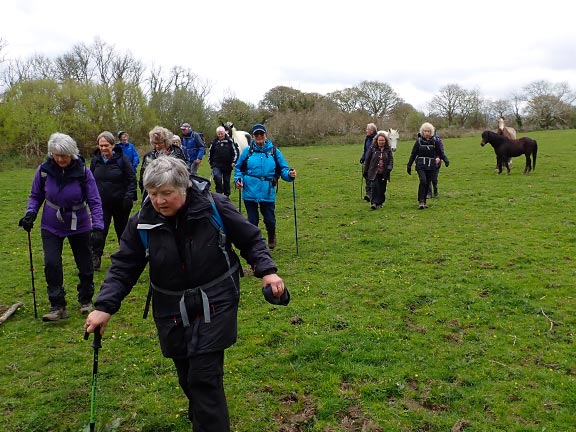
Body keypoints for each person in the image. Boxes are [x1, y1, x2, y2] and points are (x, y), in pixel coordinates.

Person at [84, 156, 287, 431]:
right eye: (153, 194)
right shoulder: (142, 222)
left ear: (184, 188)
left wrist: (267, 270)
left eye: (166, 193)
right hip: (170, 306)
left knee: (204, 376)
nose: (159, 201)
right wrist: (104, 306)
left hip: (216, 298)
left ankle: (208, 421)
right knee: (187, 375)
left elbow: (250, 238)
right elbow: (123, 266)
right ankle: (203, 412)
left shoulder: (214, 206)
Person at [18, 132, 104, 321]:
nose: (60, 159)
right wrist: (30, 213)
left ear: (72, 154)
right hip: (51, 223)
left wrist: (98, 225)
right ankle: (57, 305)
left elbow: (94, 200)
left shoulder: (83, 172)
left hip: (79, 223)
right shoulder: (43, 170)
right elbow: (35, 195)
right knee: (51, 263)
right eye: (56, 155)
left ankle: (86, 300)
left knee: (85, 263)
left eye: (64, 155)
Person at [234, 124, 296, 250]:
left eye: (261, 134)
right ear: (253, 136)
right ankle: (255, 244)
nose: (259, 137)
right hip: (249, 191)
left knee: (269, 219)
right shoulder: (247, 151)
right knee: (252, 220)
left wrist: (289, 174)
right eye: (256, 135)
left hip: (267, 191)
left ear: (265, 135)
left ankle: (271, 236)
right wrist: (238, 180)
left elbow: (283, 168)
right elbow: (238, 168)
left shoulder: (274, 151)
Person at [90, 131, 137, 271]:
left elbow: (131, 180)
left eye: (106, 145)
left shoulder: (122, 159)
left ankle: (125, 259)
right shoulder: (95, 160)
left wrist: (129, 197)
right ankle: (95, 257)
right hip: (101, 204)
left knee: (122, 232)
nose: (104, 148)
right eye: (101, 145)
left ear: (112, 145)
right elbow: (89, 181)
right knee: (99, 231)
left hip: (120, 203)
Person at [406, 122, 449, 209]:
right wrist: (409, 165)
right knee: (423, 181)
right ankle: (421, 200)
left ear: (431, 132)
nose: (427, 133)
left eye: (429, 131)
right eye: (425, 131)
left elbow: (440, 152)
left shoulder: (434, 142)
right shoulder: (418, 141)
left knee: (427, 182)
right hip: (420, 165)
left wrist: (445, 159)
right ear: (422, 132)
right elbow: (413, 154)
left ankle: (424, 202)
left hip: (430, 166)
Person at [139, 126, 187, 197]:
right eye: (155, 143)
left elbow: (184, 176)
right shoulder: (148, 156)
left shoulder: (177, 154)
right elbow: (143, 177)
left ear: (166, 142)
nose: (157, 146)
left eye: (160, 143)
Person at [363, 131, 394, 209]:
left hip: (384, 172)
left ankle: (380, 202)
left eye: (383, 140)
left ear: (385, 141)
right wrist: (365, 171)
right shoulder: (372, 148)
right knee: (374, 186)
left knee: (382, 188)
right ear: (377, 141)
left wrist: (390, 167)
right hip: (374, 171)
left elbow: (391, 159)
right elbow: (368, 159)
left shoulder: (388, 149)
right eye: (380, 140)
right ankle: (373, 203)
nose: (381, 142)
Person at [209, 126, 239, 196]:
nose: (220, 135)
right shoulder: (214, 142)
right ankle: (219, 193)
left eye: (221, 133)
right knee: (217, 177)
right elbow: (210, 152)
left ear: (224, 133)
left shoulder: (230, 141)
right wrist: (211, 162)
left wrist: (234, 162)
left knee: (226, 181)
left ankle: (226, 196)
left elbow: (235, 152)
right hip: (216, 164)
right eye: (218, 134)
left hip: (227, 165)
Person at [426, 132, 449, 198]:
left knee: (434, 178)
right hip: (427, 162)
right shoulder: (423, 140)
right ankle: (429, 193)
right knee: (427, 178)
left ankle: (435, 190)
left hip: (436, 162)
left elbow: (441, 150)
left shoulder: (437, 140)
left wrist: (439, 157)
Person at [359, 123, 378, 202]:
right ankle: (368, 194)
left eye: (368, 129)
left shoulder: (377, 138)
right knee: (366, 175)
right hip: (367, 160)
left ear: (372, 130)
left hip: (374, 161)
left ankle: (371, 194)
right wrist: (363, 157)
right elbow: (365, 150)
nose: (366, 130)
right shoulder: (367, 138)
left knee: (372, 177)